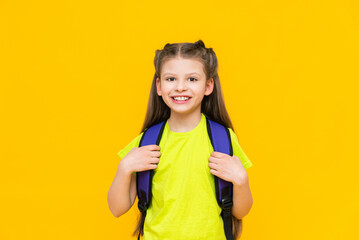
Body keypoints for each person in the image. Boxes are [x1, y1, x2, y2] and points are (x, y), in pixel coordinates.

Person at [107, 40, 253, 240]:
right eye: (171, 79)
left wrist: (241, 181)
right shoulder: (147, 141)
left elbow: (240, 211)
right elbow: (117, 208)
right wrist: (124, 168)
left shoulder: (223, 139)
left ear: (208, 85)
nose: (181, 87)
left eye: (192, 79)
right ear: (159, 86)